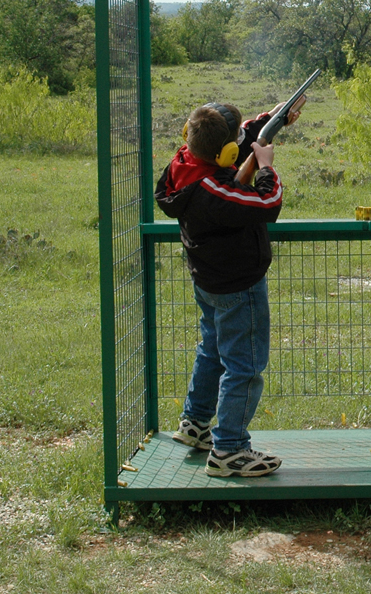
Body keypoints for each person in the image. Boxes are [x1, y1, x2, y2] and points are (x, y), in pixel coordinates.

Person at [154, 96, 303, 477]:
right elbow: (269, 201)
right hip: (237, 284)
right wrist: (266, 167)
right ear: (225, 154)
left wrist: (273, 121)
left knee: (212, 351)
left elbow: (235, 139)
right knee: (244, 366)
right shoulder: (214, 192)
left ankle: (196, 424)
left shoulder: (183, 165)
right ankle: (230, 450)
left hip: (208, 280)